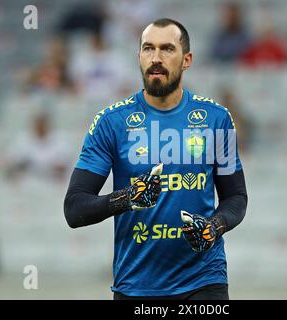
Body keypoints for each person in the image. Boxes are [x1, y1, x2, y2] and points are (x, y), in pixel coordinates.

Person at [64, 18, 248, 300]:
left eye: (167, 49)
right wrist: (127, 198)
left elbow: (236, 197)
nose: (156, 58)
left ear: (187, 60)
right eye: (148, 49)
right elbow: (74, 208)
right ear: (138, 56)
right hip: (135, 287)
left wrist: (215, 226)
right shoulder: (111, 123)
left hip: (204, 282)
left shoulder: (216, 119)